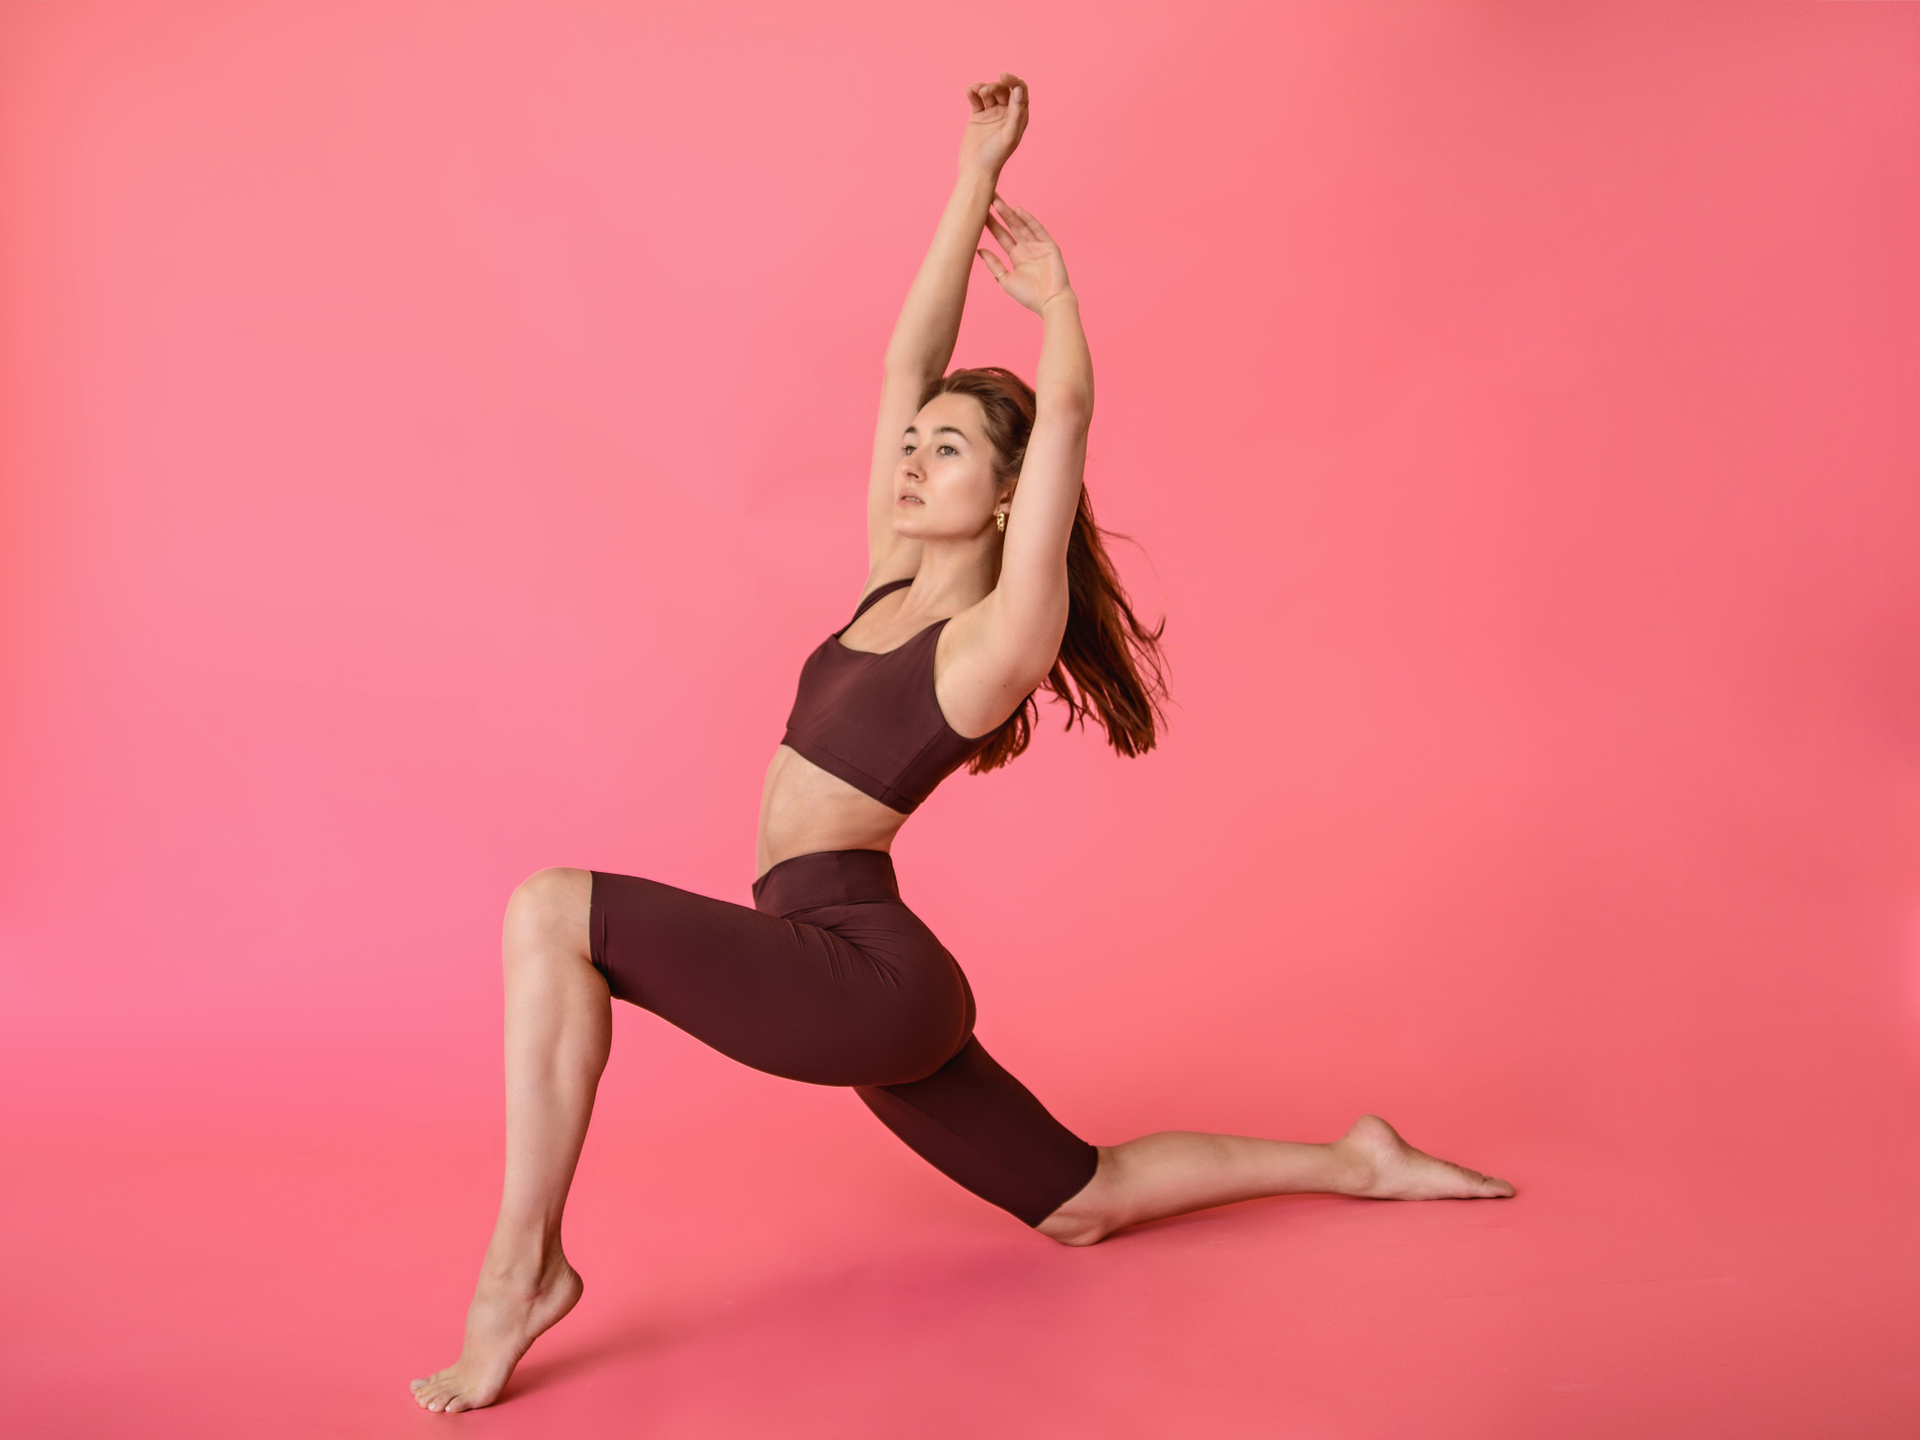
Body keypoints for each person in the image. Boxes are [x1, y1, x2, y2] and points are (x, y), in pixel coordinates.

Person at [410, 72, 1512, 1415]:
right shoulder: (886, 577)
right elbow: (903, 365)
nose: (914, 459)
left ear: (1006, 496)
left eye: (949, 452)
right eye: (914, 448)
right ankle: (1356, 1160)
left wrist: (1061, 309)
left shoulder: (994, 641)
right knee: (1082, 1199)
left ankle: (520, 1271)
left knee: (550, 910)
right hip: (844, 955)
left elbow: (1070, 427)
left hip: (861, 972)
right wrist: (972, 179)